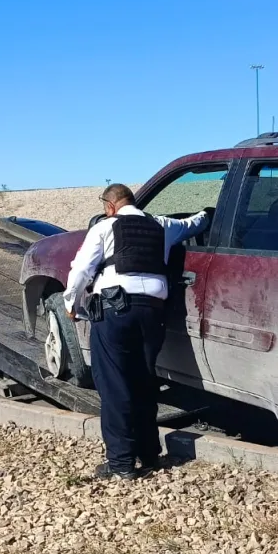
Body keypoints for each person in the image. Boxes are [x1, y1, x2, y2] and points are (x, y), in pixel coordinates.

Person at [63, 183, 211, 480]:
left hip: (114, 311)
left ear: (110, 205)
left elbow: (81, 270)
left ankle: (121, 463)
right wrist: (208, 214)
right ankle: (149, 453)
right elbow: (193, 223)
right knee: (144, 382)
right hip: (153, 312)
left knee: (115, 386)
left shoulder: (105, 227)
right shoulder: (161, 224)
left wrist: (72, 303)